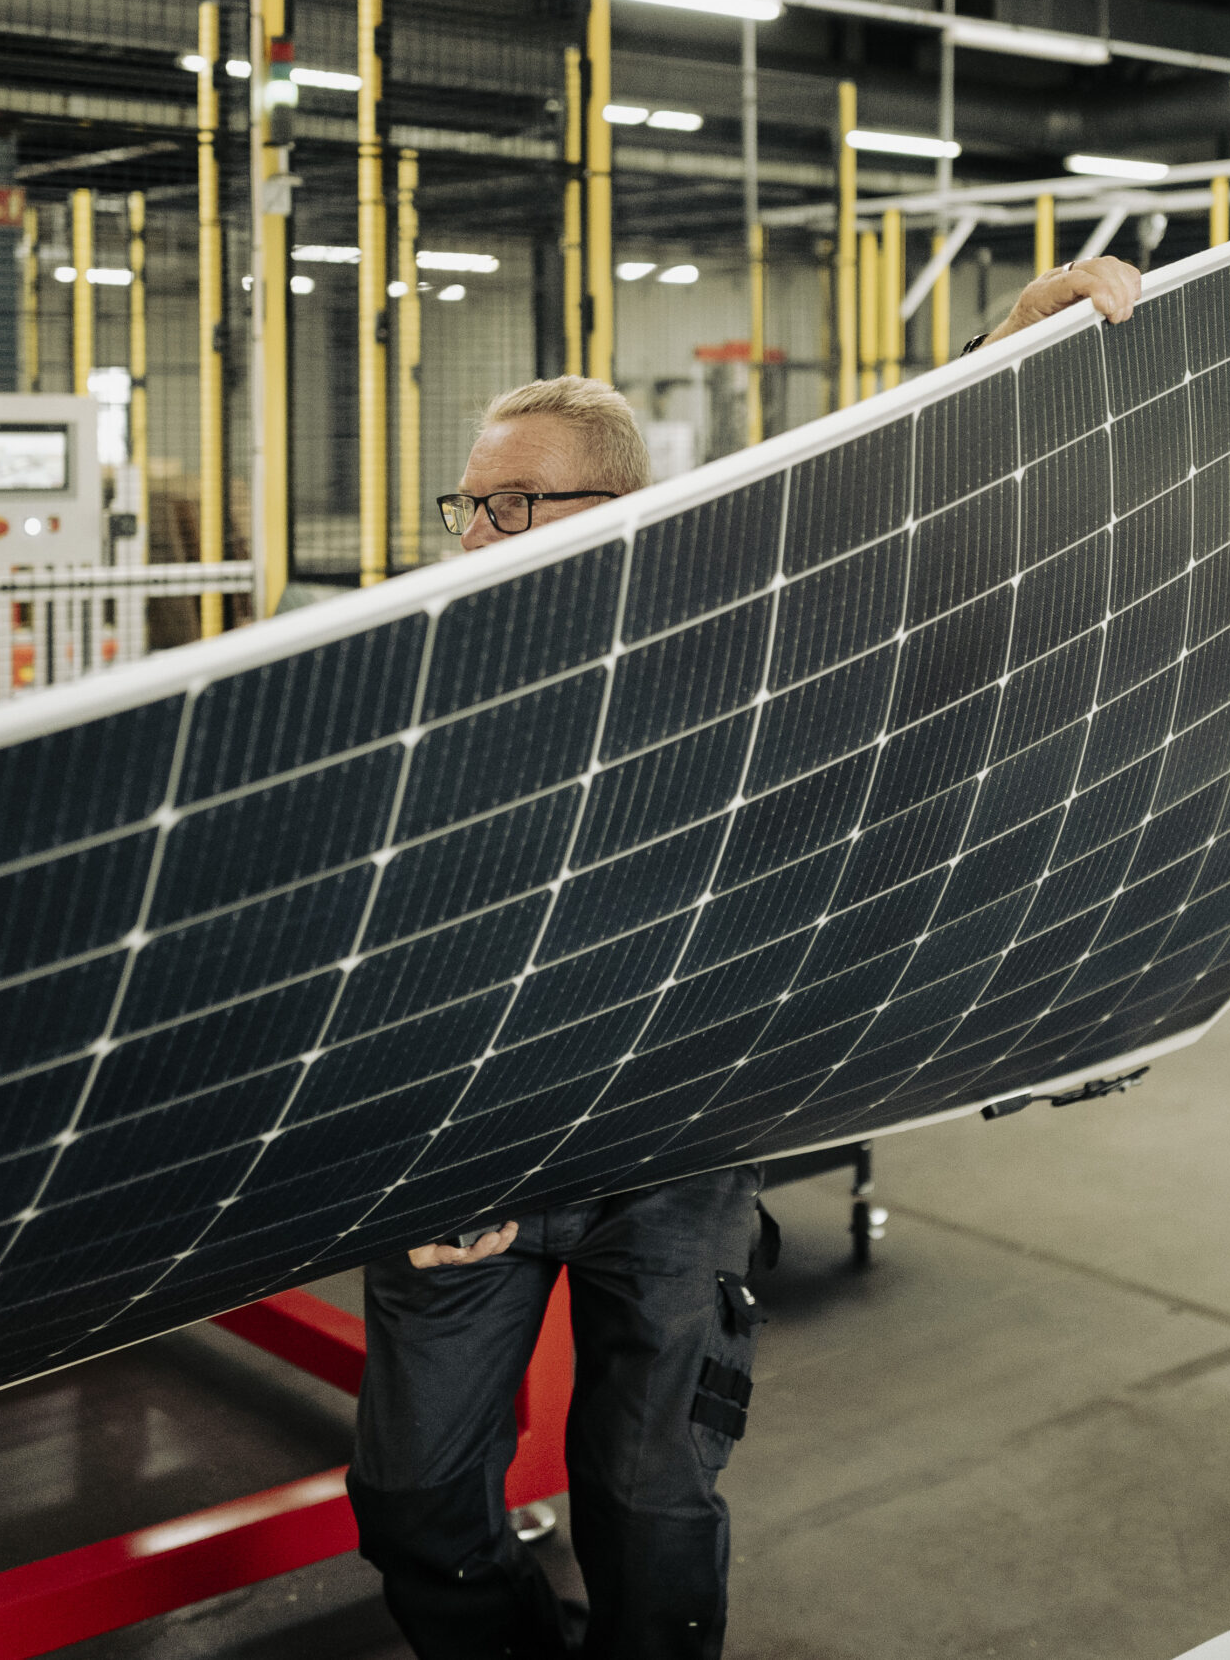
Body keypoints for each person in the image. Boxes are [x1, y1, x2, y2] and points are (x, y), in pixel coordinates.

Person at [345, 256, 1143, 1660]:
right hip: (475, 1155)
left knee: (652, 1510)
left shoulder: (735, 656)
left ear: (622, 506)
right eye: (470, 502)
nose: (479, 533)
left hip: (675, 1142)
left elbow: (902, 549)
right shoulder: (415, 672)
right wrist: (409, 1157)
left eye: (515, 502)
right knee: (414, 1503)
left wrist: (1007, 360)